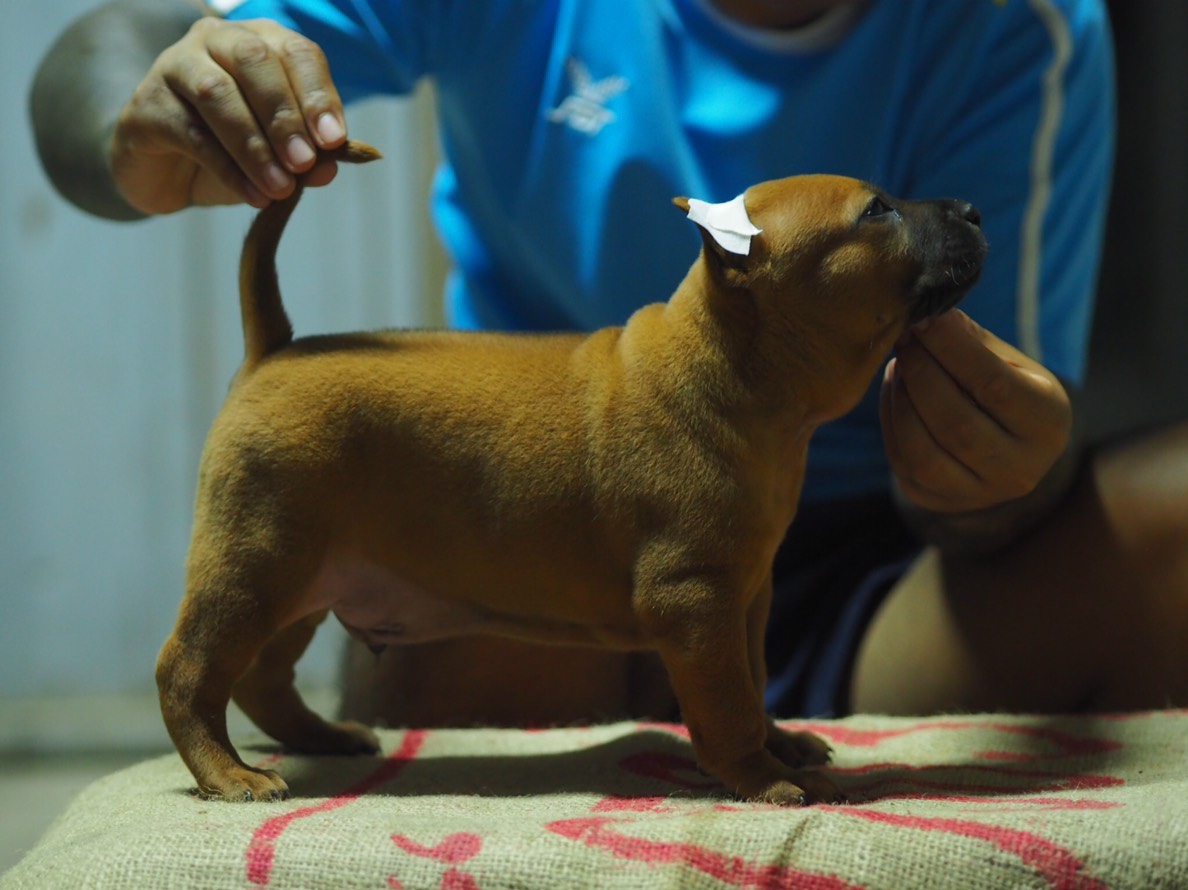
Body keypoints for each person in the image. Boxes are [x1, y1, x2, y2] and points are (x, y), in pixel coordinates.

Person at [30, 0, 1188, 725]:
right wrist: (148, 117)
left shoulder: (1021, 27)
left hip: (877, 577)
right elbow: (100, 55)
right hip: (541, 527)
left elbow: (1011, 471)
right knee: (476, 570)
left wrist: (994, 480)